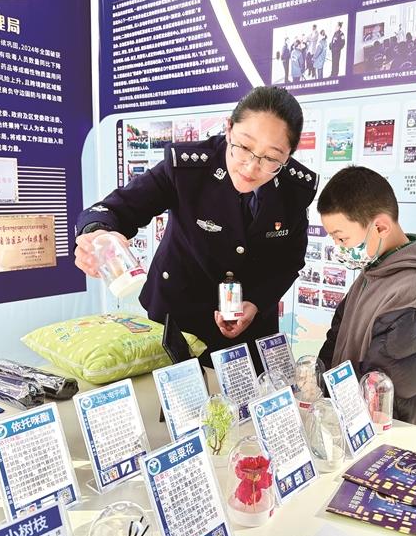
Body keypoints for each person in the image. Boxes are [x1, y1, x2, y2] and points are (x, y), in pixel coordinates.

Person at [75, 87, 318, 373]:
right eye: (244, 146)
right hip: (180, 316)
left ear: (288, 156)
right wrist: (99, 234)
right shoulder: (187, 168)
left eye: (271, 158)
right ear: (229, 128)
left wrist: (256, 302)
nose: (252, 166)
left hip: (250, 325)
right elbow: (116, 209)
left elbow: (289, 260)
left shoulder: (295, 188)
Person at [317, 166, 416, 431]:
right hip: (351, 428)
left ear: (380, 226)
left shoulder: (414, 293)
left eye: (342, 238)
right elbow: (335, 342)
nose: (338, 248)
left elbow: (390, 400)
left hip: (387, 442)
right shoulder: (373, 273)